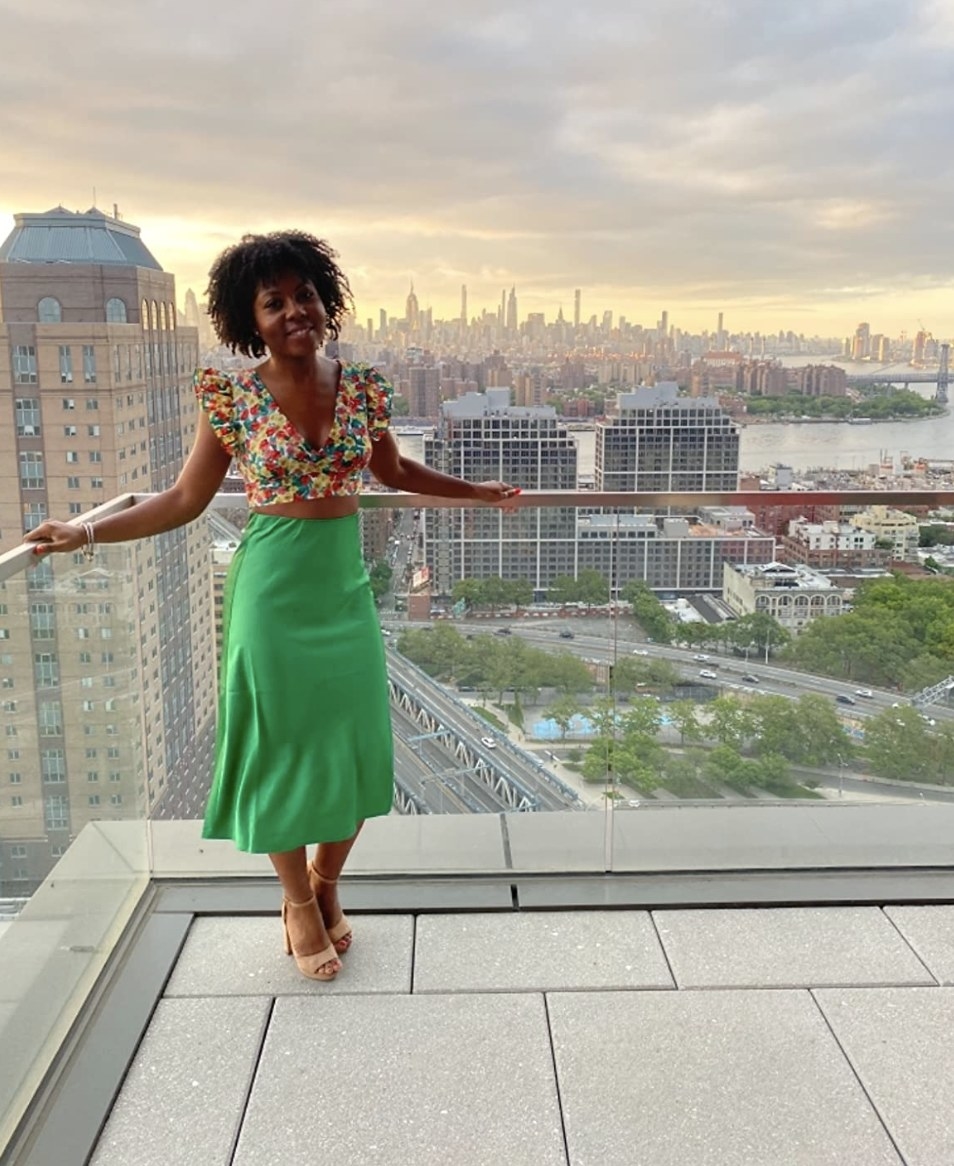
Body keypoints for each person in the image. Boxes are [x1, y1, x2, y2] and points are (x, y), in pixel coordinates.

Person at [24, 230, 520, 983]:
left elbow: (392, 469)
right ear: (247, 318)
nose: (295, 311)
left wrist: (474, 492)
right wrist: (85, 531)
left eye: (305, 296)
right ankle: (295, 901)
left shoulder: (362, 388)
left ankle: (326, 881)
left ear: (327, 301)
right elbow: (184, 500)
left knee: (356, 746)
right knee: (281, 747)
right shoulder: (231, 396)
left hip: (340, 589)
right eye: (274, 302)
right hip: (271, 592)